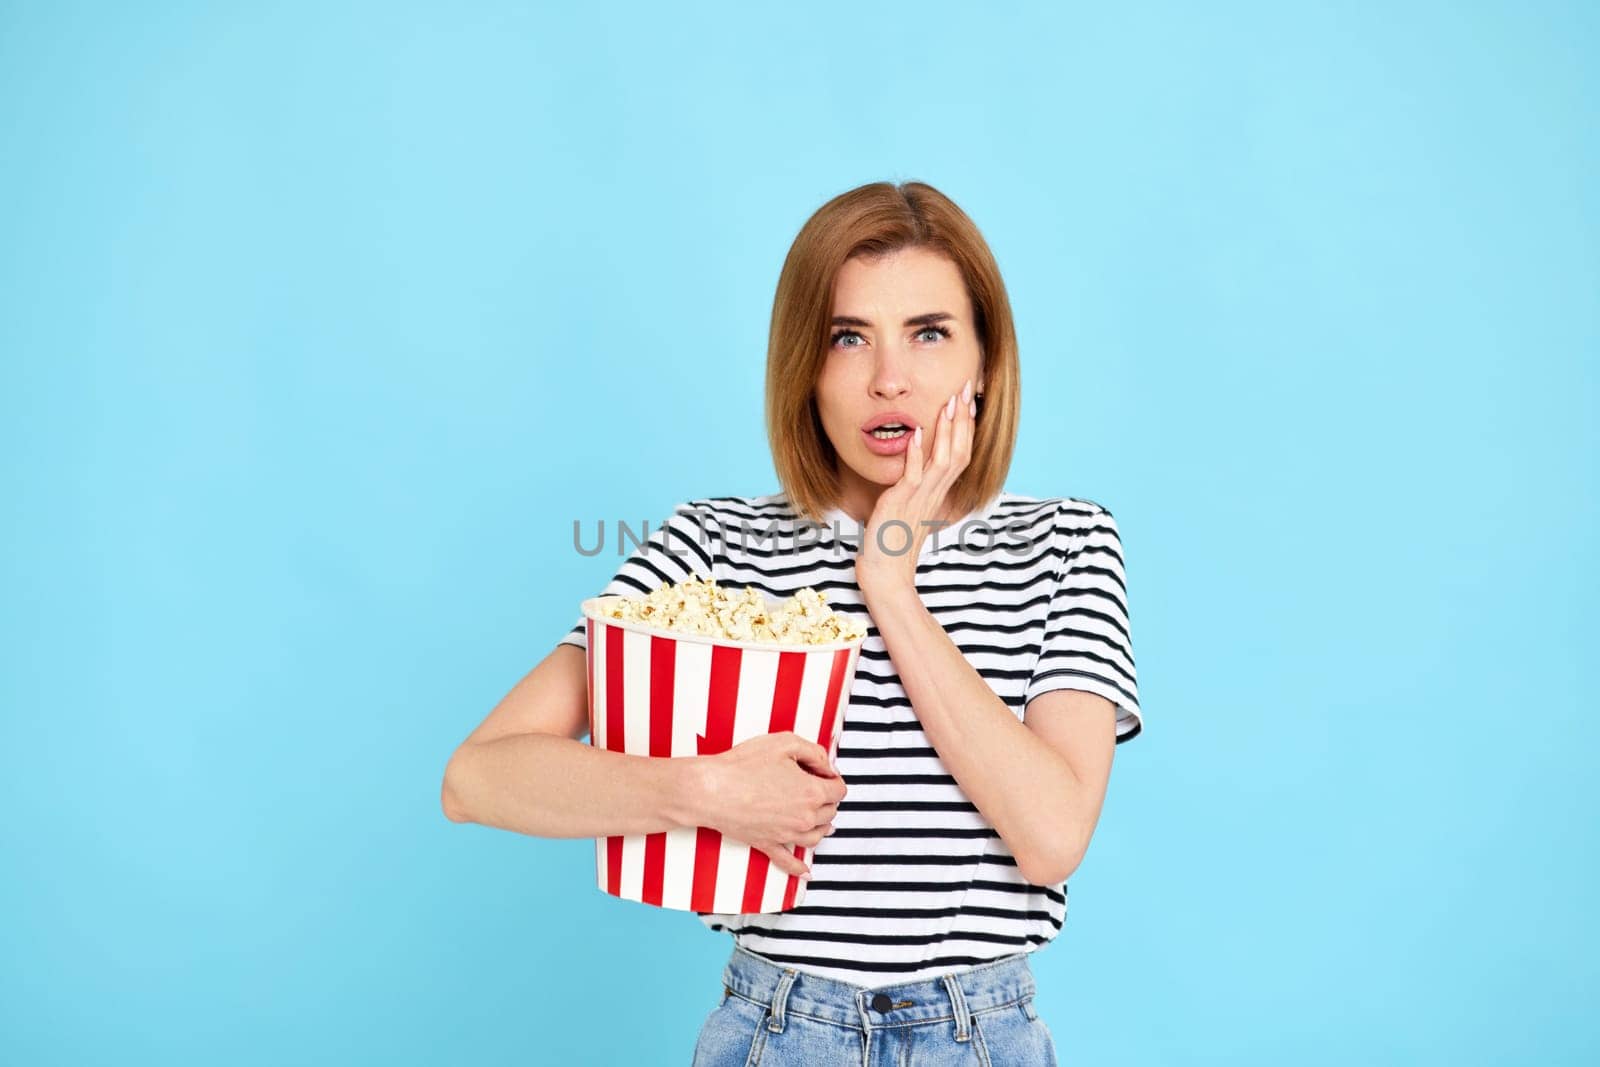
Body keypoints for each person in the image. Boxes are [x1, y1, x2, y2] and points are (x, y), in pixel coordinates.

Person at [441, 180, 1142, 1066]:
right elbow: (477, 777)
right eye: (849, 337)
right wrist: (701, 789)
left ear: (986, 361)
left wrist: (888, 581)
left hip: (980, 1036)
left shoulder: (1066, 540)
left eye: (929, 333)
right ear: (804, 366)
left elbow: (1050, 837)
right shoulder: (711, 545)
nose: (890, 377)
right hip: (776, 1032)